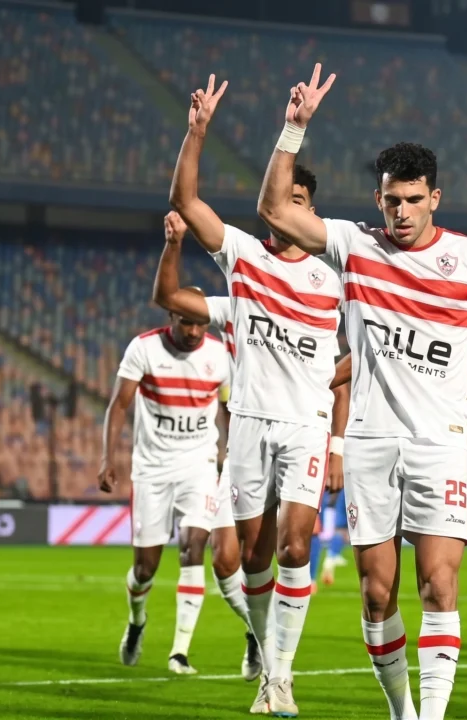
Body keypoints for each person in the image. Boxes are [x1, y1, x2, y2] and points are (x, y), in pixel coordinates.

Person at [256, 64, 467, 720]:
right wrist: (294, 128)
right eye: (391, 200)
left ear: (435, 198)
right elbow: (273, 210)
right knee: (377, 596)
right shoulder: (354, 245)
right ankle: (404, 711)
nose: (401, 211)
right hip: (371, 445)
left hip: (438, 444)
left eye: (413, 199)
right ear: (378, 199)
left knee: (438, 584)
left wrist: (444, 377)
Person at [167, 74, 347, 716]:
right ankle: (270, 668)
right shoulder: (243, 256)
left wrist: (336, 439)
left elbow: (363, 354)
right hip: (247, 426)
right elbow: (186, 200)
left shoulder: (335, 278)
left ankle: (282, 678)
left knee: (297, 546)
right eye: (283, 197)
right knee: (254, 558)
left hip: (304, 427)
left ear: (311, 212)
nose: (290, 208)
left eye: (300, 200)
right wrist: (196, 132)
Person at [98, 283, 235, 676]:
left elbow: (227, 407)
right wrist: (108, 457)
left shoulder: (220, 355)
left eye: (201, 323)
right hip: (152, 469)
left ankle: (180, 652)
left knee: (194, 547)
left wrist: (229, 454)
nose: (194, 331)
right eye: (186, 322)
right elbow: (119, 404)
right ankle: (137, 620)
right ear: (171, 315)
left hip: (199, 464)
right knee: (145, 569)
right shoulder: (143, 348)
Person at [150, 211, 263, 679]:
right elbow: (227, 405)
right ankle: (257, 632)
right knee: (224, 561)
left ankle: (275, 658)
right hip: (225, 460)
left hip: (274, 448)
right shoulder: (225, 324)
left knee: (271, 553)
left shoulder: (231, 347)